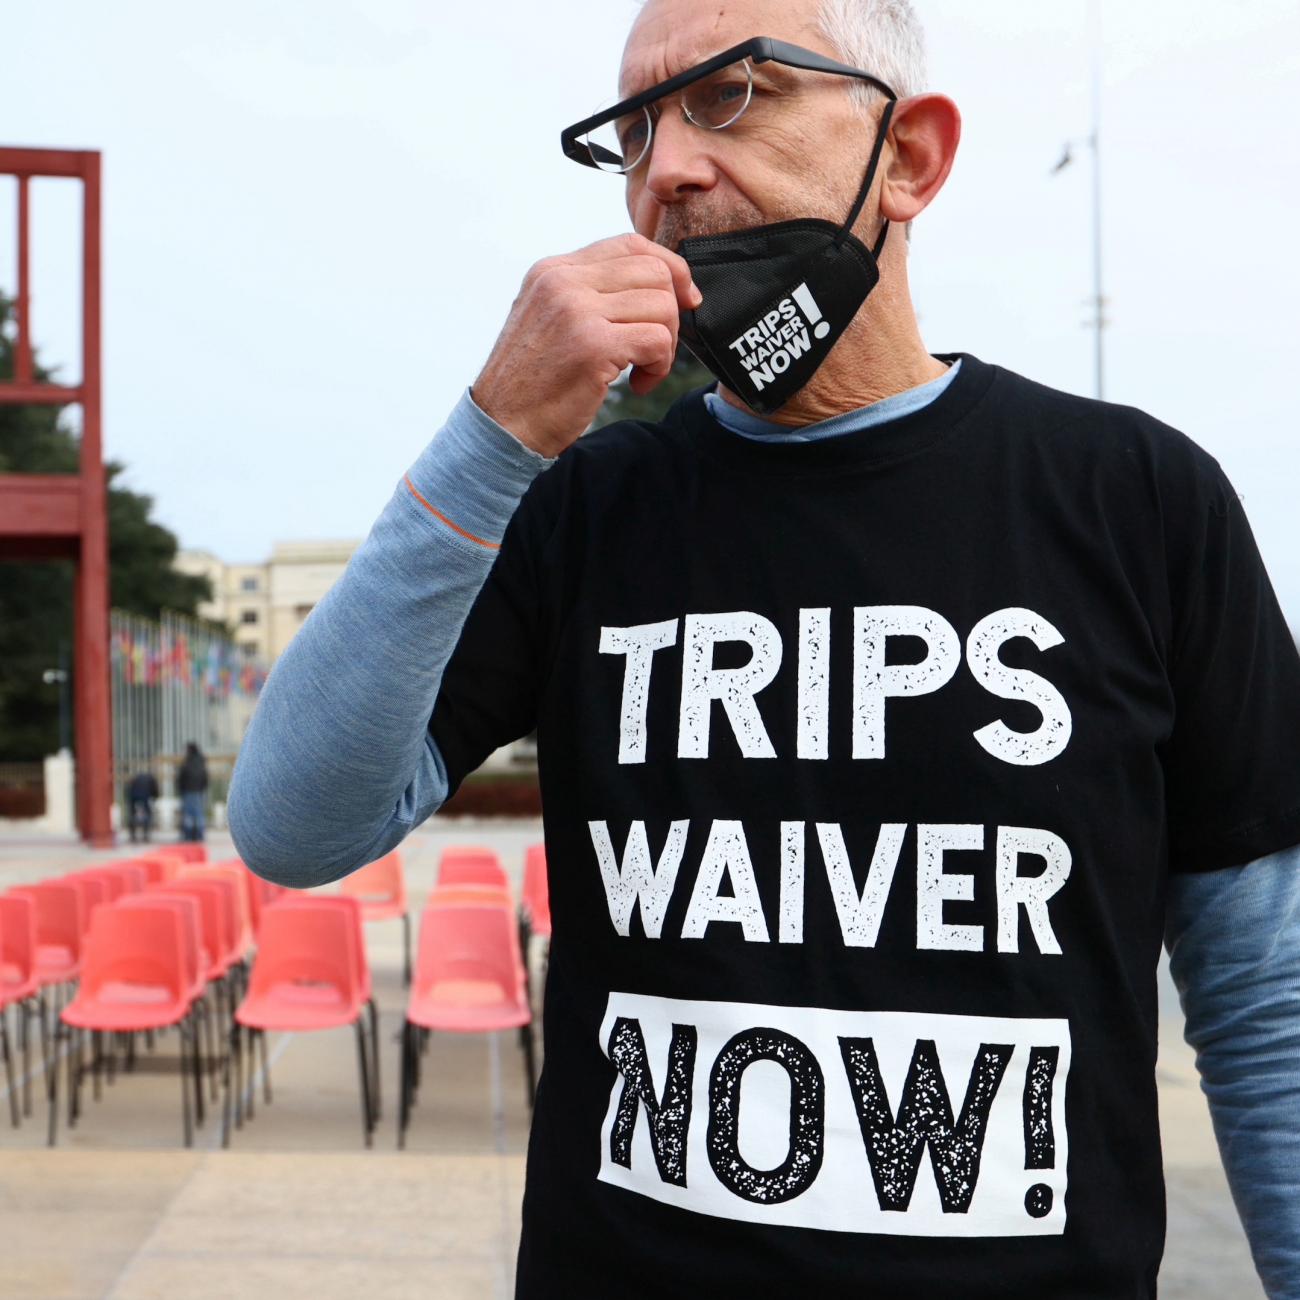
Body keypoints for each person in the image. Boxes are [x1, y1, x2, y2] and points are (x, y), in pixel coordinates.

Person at [228, 1, 1300, 1295]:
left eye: (732, 96)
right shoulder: (583, 510)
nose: (665, 169)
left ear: (909, 157)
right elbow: (292, 826)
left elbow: (1265, 1009)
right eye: (631, 134)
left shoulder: (1137, 501)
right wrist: (494, 433)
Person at [177, 741, 208, 843]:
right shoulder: (201, 762)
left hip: (188, 791)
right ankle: (200, 835)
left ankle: (188, 835)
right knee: (199, 814)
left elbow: (181, 778)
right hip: (198, 791)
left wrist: (181, 790)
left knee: (188, 814)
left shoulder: (187, 762)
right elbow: (205, 777)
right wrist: (202, 788)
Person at [125, 769, 159, 843]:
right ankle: (146, 835)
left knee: (132, 815)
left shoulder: (135, 778)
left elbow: (128, 789)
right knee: (147, 815)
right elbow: (155, 790)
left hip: (134, 798)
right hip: (145, 797)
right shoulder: (151, 779)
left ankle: (133, 836)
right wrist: (155, 797)